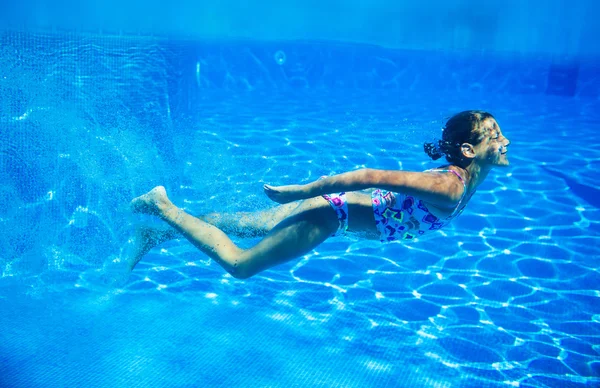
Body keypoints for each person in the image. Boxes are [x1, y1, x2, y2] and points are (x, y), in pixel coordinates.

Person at [129, 110, 510, 279]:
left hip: (333, 212)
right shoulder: (448, 186)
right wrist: (301, 191)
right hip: (331, 214)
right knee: (240, 265)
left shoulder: (463, 181)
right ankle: (161, 206)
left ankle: (155, 234)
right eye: (495, 136)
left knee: (247, 224)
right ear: (467, 150)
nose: (505, 141)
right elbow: (368, 175)